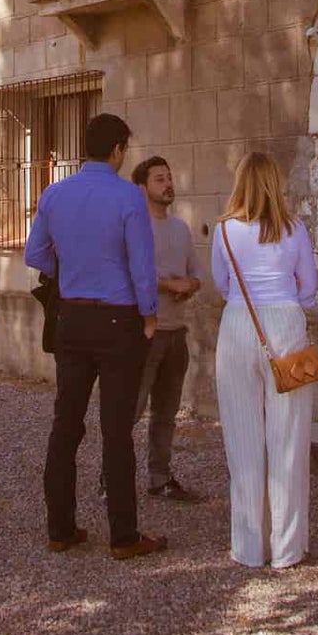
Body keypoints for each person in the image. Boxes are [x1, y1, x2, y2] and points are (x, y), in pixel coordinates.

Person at [23, 111, 165, 559]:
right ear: (119, 149)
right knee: (116, 430)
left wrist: (70, 272)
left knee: (66, 423)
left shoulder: (54, 193)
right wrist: (149, 315)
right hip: (119, 320)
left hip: (71, 320)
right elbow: (143, 265)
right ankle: (123, 535)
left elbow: (35, 254)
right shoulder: (127, 198)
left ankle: (60, 527)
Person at [211, 151, 317, 569]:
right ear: (275, 182)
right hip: (285, 324)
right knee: (288, 439)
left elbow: (222, 283)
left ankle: (249, 546)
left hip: (239, 322)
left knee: (242, 439)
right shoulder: (293, 229)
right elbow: (308, 287)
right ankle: (288, 548)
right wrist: (288, 298)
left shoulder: (223, 231)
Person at [119, 154, 203, 503]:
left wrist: (189, 286)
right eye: (159, 179)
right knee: (130, 410)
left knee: (166, 412)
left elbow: (197, 275)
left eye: (169, 177)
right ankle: (113, 479)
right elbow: (129, 276)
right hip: (144, 333)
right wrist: (170, 286)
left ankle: (160, 477)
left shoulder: (181, 228)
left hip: (176, 333)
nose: (168, 184)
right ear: (142, 187)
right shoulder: (133, 227)